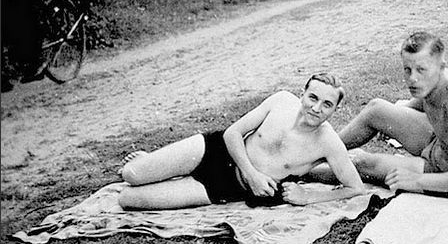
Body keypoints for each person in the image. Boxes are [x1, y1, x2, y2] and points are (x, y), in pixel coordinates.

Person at [117, 73, 365, 210]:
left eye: (327, 104)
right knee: (131, 174)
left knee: (126, 200)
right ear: (303, 94)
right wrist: (253, 174)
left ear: (335, 110)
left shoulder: (329, 142)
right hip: (214, 151)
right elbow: (232, 133)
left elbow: (355, 188)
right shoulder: (280, 101)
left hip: (227, 188)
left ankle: (159, 167)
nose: (316, 108)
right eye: (313, 98)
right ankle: (150, 163)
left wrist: (307, 197)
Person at [310, 31, 448, 199]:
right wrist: (396, 120)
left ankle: (297, 171)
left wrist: (415, 180)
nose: (412, 78)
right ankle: (312, 152)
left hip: (447, 175)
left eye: (420, 70)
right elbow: (422, 101)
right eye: (407, 69)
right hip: (437, 144)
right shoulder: (434, 80)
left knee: (362, 162)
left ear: (440, 66)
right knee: (376, 109)